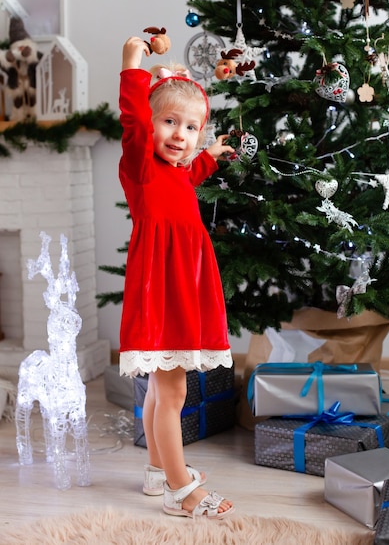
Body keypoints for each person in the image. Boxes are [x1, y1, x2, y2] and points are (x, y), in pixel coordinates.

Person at [118, 36, 235, 519]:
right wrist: (131, 64)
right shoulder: (142, 167)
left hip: (185, 286)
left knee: (160, 390)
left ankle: (155, 470)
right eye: (169, 122)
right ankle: (180, 489)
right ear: (149, 125)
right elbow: (129, 118)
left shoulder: (177, 171)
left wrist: (215, 152)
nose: (180, 135)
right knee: (173, 392)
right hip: (163, 292)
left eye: (191, 127)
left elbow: (191, 173)